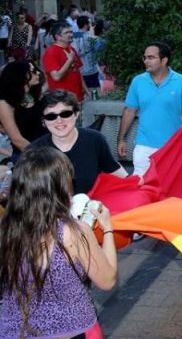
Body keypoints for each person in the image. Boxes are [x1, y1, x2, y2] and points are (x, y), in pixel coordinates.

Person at [0, 147, 117, 338]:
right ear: (60, 186)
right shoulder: (72, 232)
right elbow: (107, 280)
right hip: (72, 330)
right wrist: (108, 229)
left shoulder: (6, 228)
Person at [118, 42, 182, 178]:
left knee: (168, 189)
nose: (146, 61)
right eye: (145, 57)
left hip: (172, 147)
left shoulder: (181, 81)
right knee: (140, 188)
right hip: (143, 147)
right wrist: (121, 139)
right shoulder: (138, 81)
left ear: (164, 60)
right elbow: (129, 111)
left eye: (151, 58)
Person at [30, 90, 127, 194]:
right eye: (51, 116)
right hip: (52, 208)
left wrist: (135, 183)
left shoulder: (94, 139)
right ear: (43, 121)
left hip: (90, 206)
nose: (59, 121)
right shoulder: (34, 151)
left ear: (76, 114)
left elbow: (112, 168)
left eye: (65, 114)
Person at [0, 61, 45, 156]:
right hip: (29, 155)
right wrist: (43, 156)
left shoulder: (31, 94)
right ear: (20, 76)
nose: (37, 73)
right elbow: (17, 139)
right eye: (32, 71)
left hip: (45, 146)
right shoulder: (5, 103)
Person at [42, 21, 86, 102]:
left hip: (78, 97)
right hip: (62, 100)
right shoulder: (51, 52)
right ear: (58, 36)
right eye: (67, 32)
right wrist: (69, 61)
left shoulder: (71, 49)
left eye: (71, 32)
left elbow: (78, 72)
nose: (71, 35)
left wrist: (86, 90)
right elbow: (56, 77)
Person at [72, 15, 100, 99]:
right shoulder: (91, 37)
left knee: (81, 91)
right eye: (89, 23)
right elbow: (99, 49)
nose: (90, 25)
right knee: (94, 91)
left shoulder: (72, 37)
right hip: (91, 69)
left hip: (79, 69)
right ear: (85, 25)